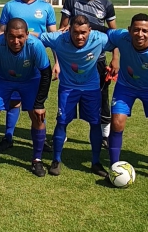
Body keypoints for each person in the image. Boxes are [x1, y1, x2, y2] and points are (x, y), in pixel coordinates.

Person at [100, 14, 148, 186]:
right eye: (136, 30)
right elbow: (104, 29)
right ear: (129, 30)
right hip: (125, 87)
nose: (140, 34)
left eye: (144, 31)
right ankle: (114, 168)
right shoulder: (122, 37)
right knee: (117, 123)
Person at [0, 18, 52, 176]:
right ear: (5, 34)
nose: (16, 41)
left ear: (27, 35)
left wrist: (39, 104)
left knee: (38, 116)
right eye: (11, 36)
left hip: (30, 81)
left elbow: (46, 74)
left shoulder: (36, 45)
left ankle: (37, 160)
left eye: (20, 36)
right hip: (2, 80)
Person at [38, 15, 109, 177]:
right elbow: (37, 37)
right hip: (68, 88)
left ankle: (96, 162)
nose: (80, 36)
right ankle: (56, 160)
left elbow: (121, 39)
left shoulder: (100, 39)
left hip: (91, 88)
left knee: (95, 123)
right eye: (75, 32)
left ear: (90, 31)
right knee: (61, 122)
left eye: (83, 32)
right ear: (69, 30)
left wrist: (116, 58)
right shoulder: (58, 39)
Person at [0, 0, 57, 151]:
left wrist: (57, 63)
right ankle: (8, 136)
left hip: (37, 63)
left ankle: (41, 139)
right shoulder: (10, 6)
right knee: (13, 101)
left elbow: (54, 37)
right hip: (13, 61)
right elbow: (1, 33)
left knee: (36, 103)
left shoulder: (46, 8)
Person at [59, 0, 119, 148]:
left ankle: (105, 135)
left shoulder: (106, 4)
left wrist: (115, 58)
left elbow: (114, 34)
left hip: (97, 59)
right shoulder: (72, 0)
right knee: (69, 96)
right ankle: (63, 133)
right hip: (74, 59)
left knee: (101, 96)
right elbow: (64, 27)